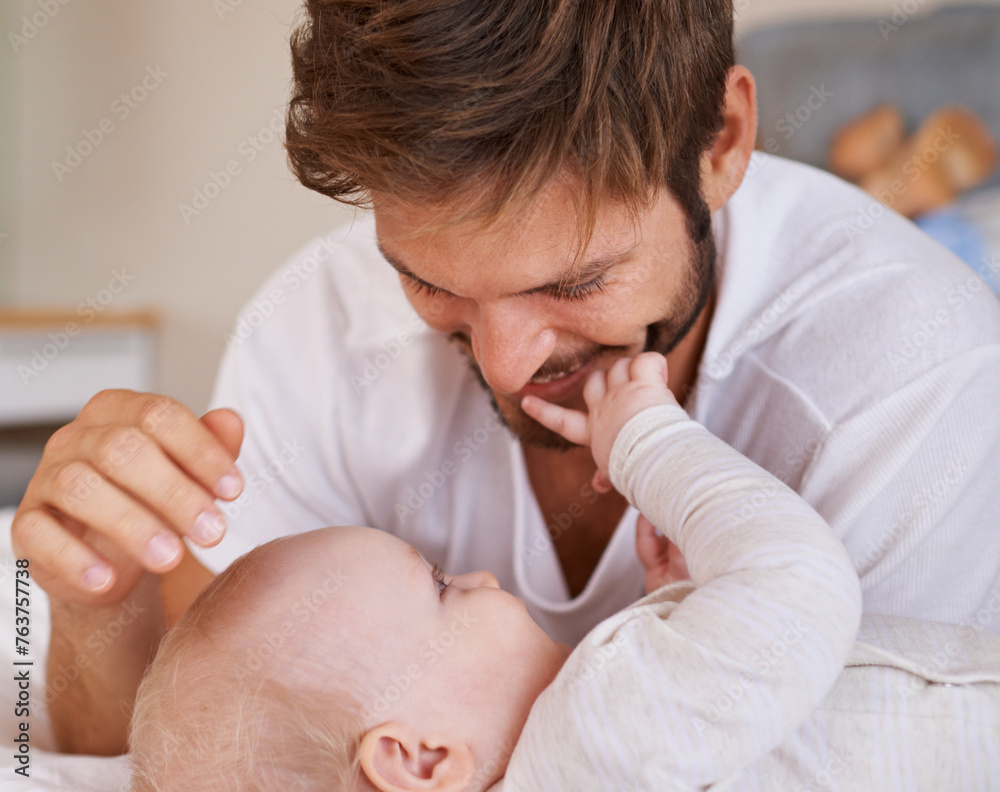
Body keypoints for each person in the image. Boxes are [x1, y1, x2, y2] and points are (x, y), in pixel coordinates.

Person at [13, 0, 1000, 756]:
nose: (506, 366)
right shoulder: (317, 326)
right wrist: (100, 602)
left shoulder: (911, 377)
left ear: (722, 143)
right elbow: (191, 752)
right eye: (428, 281)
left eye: (574, 282)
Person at [127, 354, 1000, 792]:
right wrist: (648, 443)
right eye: (437, 586)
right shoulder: (589, 734)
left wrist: (684, 610)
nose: (474, 576)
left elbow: (727, 748)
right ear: (422, 761)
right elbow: (805, 591)